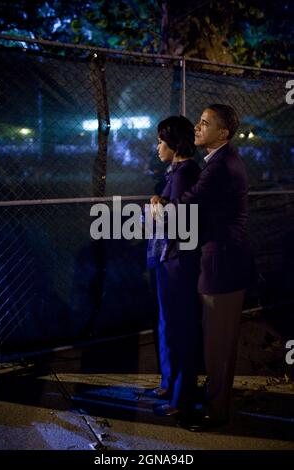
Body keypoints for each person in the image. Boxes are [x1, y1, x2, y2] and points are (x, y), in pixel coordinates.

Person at [151, 104, 255, 429]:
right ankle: (214, 404)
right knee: (216, 344)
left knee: (218, 347)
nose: (197, 127)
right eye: (198, 122)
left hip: (222, 265)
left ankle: (215, 412)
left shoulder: (220, 165)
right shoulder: (217, 162)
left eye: (205, 123)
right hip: (220, 262)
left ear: (222, 133)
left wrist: (161, 206)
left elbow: (186, 205)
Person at [146, 115, 201, 416]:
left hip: (177, 261)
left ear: (174, 143)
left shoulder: (183, 174)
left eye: (160, 141)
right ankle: (171, 383)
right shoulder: (177, 172)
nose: (156, 147)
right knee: (169, 323)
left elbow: (177, 223)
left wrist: (157, 208)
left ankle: (181, 398)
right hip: (173, 259)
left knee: (178, 326)